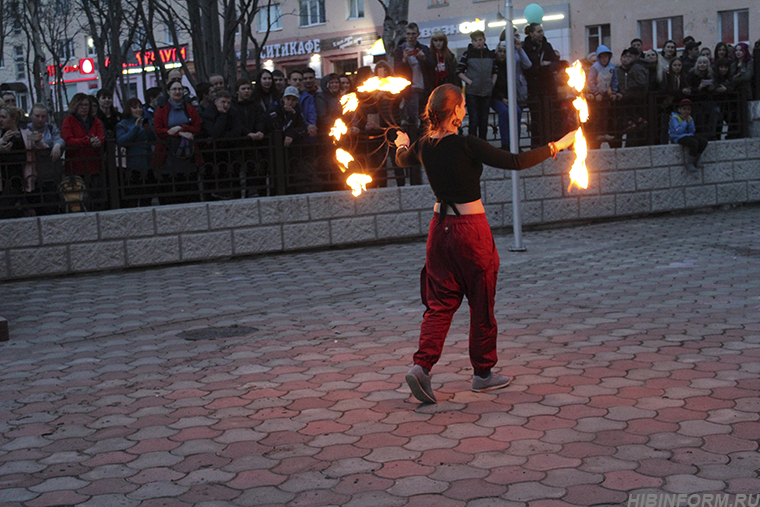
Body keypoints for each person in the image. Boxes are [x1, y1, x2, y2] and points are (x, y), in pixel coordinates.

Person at [393, 84, 575, 404]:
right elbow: (516, 162)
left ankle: (421, 367)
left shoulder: (423, 145)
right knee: (481, 300)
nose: (465, 109)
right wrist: (557, 145)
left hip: (439, 231)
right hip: (470, 232)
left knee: (439, 304)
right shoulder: (467, 144)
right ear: (458, 110)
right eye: (463, 105)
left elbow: (401, 159)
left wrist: (401, 143)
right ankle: (483, 374)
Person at [152, 79, 203, 204]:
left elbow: (197, 127)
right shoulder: (162, 109)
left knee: (189, 187)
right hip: (168, 155)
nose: (177, 92)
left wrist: (182, 127)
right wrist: (179, 133)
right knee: (171, 188)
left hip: (188, 155)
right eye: (174, 89)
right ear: (168, 92)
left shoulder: (190, 109)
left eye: (179, 89)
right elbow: (159, 130)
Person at [522, 22, 560, 147]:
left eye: (542, 31)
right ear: (531, 33)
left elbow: (556, 62)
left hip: (548, 87)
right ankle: (536, 146)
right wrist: (541, 67)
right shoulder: (525, 47)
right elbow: (528, 67)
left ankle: (550, 145)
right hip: (534, 88)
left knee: (550, 118)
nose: (541, 34)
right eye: (538, 32)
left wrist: (547, 67)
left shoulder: (546, 45)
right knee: (536, 119)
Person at [115, 97, 157, 207]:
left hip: (148, 163)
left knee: (147, 197)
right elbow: (122, 140)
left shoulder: (145, 122)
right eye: (134, 108)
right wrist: (136, 128)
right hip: (132, 165)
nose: (138, 110)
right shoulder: (122, 124)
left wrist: (149, 130)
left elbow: (153, 139)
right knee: (132, 197)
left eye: (139, 107)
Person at [61, 93, 106, 194]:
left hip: (94, 164)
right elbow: (68, 140)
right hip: (76, 166)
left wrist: (98, 141)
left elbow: (101, 136)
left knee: (96, 194)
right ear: (75, 105)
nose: (84, 107)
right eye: (81, 105)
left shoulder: (95, 121)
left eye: (86, 105)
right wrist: (87, 141)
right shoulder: (68, 121)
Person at [456, 30, 496, 140]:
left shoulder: (490, 55)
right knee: (473, 120)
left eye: (480, 40)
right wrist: (469, 82)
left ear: (484, 40)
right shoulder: (468, 54)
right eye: (475, 40)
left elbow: (495, 70)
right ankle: (472, 143)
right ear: (472, 42)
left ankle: (483, 143)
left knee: (484, 120)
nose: (478, 42)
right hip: (472, 92)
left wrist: (491, 83)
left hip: (486, 91)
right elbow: (459, 71)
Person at [393, 22, 434, 128]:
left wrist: (424, 58)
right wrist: (404, 60)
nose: (410, 37)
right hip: (410, 91)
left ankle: (423, 143)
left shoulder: (423, 49)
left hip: (424, 89)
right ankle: (415, 143)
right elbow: (397, 71)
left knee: (425, 121)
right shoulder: (399, 50)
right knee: (413, 122)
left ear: (418, 34)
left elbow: (433, 65)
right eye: (408, 34)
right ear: (405, 35)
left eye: (413, 34)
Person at [0, 106, 39, 218]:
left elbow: (42, 146)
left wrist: (41, 141)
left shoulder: (26, 133)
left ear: (13, 119)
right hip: (4, 179)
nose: (0, 120)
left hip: (21, 178)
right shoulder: (1, 134)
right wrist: (2, 142)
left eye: (3, 117)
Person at [491, 39, 530, 149]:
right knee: (504, 113)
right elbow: (492, 85)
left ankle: (515, 143)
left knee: (517, 112)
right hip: (496, 96)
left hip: (509, 96)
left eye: (505, 51)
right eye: (500, 51)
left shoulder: (510, 65)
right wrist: (501, 98)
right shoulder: (493, 64)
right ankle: (505, 144)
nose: (502, 54)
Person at [27, 104, 65, 215]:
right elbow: (29, 140)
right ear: (31, 115)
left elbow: (59, 139)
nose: (40, 119)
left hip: (49, 176)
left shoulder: (50, 128)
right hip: (31, 177)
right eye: (37, 116)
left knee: (51, 209)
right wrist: (47, 143)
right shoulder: (25, 129)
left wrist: (57, 145)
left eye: (43, 116)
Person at [586, 45, 620, 148]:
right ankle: (598, 133)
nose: (604, 59)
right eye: (602, 57)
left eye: (606, 56)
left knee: (606, 114)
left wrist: (614, 92)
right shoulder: (595, 67)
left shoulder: (612, 67)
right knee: (597, 115)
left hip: (606, 93)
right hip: (596, 95)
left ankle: (605, 133)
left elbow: (615, 80)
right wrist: (596, 93)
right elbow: (590, 81)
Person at [616, 47, 649, 146]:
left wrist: (629, 87)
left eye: (629, 56)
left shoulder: (636, 68)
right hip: (626, 96)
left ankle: (635, 121)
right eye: (625, 56)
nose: (627, 59)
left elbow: (641, 82)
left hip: (634, 96)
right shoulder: (618, 70)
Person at [670, 98, 707, 174]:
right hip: (678, 137)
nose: (686, 111)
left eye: (688, 109)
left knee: (703, 142)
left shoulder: (689, 118)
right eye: (684, 109)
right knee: (694, 143)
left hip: (688, 135)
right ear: (679, 109)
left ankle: (696, 160)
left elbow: (692, 131)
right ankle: (689, 163)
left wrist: (689, 123)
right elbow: (678, 131)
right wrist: (684, 122)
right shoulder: (675, 118)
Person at [686, 56, 719, 139]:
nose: (702, 65)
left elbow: (717, 85)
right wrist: (699, 88)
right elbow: (689, 89)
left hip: (709, 100)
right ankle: (699, 134)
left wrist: (712, 88)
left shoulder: (712, 73)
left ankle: (711, 134)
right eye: (700, 63)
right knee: (699, 113)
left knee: (715, 111)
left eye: (704, 63)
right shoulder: (692, 74)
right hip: (696, 100)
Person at [288, 69, 318, 139]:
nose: (298, 82)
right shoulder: (283, 97)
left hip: (306, 133)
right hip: (290, 134)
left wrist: (312, 126)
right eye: (295, 80)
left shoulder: (308, 97)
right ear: (289, 81)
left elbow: (312, 113)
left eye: (300, 80)